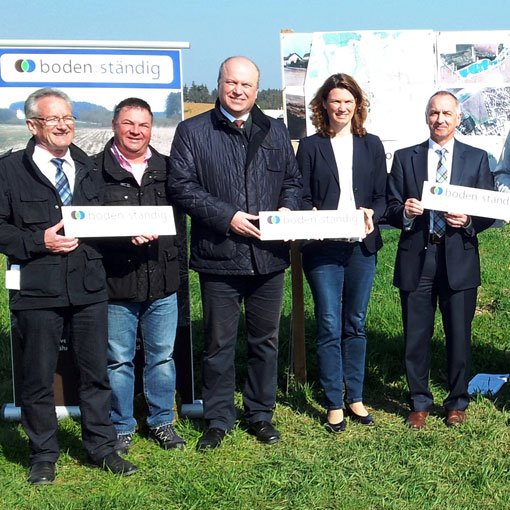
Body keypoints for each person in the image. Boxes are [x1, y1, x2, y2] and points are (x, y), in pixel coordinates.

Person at [0, 88, 138, 485]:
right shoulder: (9, 172)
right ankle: (43, 454)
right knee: (38, 376)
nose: (64, 125)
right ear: (32, 125)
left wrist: (130, 232)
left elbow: (103, 221)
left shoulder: (89, 166)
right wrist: (35, 242)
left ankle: (101, 448)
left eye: (69, 118)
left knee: (96, 373)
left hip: (89, 288)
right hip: (37, 290)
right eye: (53, 119)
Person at [169, 56, 301, 450]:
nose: (238, 90)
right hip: (219, 255)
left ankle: (260, 414)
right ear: (219, 84)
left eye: (246, 85)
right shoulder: (192, 131)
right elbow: (182, 186)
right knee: (219, 343)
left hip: (268, 258)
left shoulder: (275, 130)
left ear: (257, 91)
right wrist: (228, 217)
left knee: (265, 341)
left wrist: (287, 210)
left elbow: (292, 182)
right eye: (231, 83)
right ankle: (218, 418)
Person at [386, 91, 494, 429]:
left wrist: (470, 222)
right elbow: (388, 206)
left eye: (447, 113)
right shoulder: (406, 158)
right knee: (416, 334)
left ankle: (456, 402)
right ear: (426, 117)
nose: (440, 119)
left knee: (459, 335)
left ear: (458, 118)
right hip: (419, 255)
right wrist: (403, 211)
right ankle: (419, 402)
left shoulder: (476, 159)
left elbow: (489, 210)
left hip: (458, 255)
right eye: (434, 113)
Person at [94, 98, 185, 454]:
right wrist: (122, 234)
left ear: (151, 128)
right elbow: (87, 224)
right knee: (119, 359)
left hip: (162, 281)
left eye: (144, 125)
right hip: (118, 281)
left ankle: (162, 422)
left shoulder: (167, 168)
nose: (136, 131)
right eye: (129, 123)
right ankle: (121, 427)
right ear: (115, 125)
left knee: (162, 356)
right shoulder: (94, 171)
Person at [296, 73, 386, 432]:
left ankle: (356, 397)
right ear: (324, 105)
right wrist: (310, 215)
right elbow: (299, 194)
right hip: (322, 249)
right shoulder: (310, 145)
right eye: (335, 101)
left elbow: (383, 196)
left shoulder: (372, 144)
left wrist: (373, 213)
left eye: (348, 101)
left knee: (356, 323)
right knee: (330, 324)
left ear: (357, 106)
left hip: (361, 248)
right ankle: (334, 401)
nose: (342, 107)